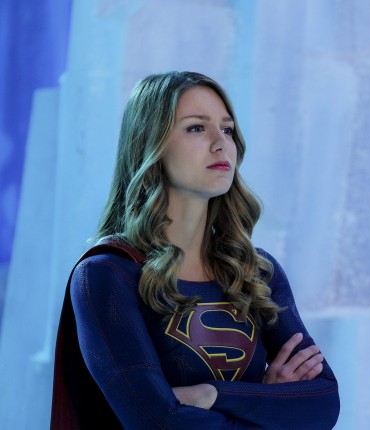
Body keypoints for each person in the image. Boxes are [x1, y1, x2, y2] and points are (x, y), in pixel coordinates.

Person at [51, 71, 340, 429]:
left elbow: (323, 403)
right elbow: (156, 423)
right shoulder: (107, 274)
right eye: (196, 128)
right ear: (151, 145)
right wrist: (268, 404)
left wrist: (211, 395)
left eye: (228, 129)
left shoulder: (256, 272)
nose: (221, 144)